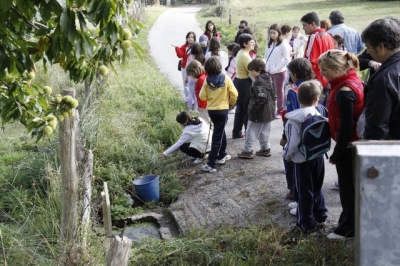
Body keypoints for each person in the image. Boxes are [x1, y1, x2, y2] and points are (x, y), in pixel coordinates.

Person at [318, 49, 364, 240]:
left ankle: (347, 229)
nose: (323, 75)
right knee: (349, 187)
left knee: (348, 189)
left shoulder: (345, 91)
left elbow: (346, 127)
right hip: (352, 144)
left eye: (326, 71)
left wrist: (336, 154)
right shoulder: (351, 81)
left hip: (349, 146)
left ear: (338, 68)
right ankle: (349, 224)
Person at [283, 80, 328, 233]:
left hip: (301, 160)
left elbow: (292, 143)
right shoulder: (320, 111)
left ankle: (305, 224)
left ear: (297, 98)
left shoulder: (294, 119)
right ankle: (321, 214)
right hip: (319, 156)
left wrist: (287, 156)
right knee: (317, 186)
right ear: (317, 99)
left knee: (303, 191)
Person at [280, 58, 316, 201]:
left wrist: (285, 136)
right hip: (312, 131)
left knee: (290, 161)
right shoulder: (315, 86)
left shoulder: (294, 91)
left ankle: (293, 190)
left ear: (294, 73)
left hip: (295, 132)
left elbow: (291, 116)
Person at [361, 17, 400, 140]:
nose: (367, 51)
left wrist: (372, 151)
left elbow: (377, 126)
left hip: (392, 149)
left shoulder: (384, 79)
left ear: (381, 47)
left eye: (368, 47)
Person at [199, 56, 238, 172]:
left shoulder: (207, 80)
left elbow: (202, 96)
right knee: (218, 134)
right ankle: (214, 162)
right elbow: (234, 94)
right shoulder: (226, 78)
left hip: (212, 110)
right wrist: (230, 104)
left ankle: (218, 158)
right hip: (223, 110)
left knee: (218, 133)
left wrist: (210, 97)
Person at [238, 59, 276, 159]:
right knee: (265, 130)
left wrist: (253, 108)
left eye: (252, 71)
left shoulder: (258, 82)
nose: (250, 73)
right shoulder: (269, 78)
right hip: (269, 111)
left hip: (258, 112)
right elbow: (274, 94)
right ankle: (265, 148)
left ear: (258, 70)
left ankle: (248, 150)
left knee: (251, 130)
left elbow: (261, 97)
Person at [300, 12, 335, 90]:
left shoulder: (314, 36)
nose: (303, 28)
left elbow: (308, 60)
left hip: (316, 79)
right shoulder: (328, 36)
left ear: (313, 24)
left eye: (304, 25)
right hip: (328, 77)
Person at [264, 24, 291, 119]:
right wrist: (266, 67)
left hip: (280, 72)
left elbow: (287, 59)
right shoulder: (268, 43)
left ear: (278, 33)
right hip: (269, 71)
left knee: (279, 92)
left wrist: (277, 68)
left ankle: (280, 110)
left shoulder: (283, 43)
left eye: (274, 33)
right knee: (269, 92)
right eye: (270, 33)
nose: (272, 35)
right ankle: (270, 109)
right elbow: (266, 56)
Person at [232, 33, 255, 139]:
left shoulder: (241, 52)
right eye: (251, 42)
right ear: (245, 44)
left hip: (238, 82)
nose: (253, 43)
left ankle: (236, 132)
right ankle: (248, 134)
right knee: (246, 110)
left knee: (240, 109)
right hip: (245, 83)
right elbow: (252, 73)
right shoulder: (246, 56)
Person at [172, 31, 196, 103]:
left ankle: (194, 99)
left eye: (192, 37)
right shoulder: (184, 46)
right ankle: (187, 99)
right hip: (184, 67)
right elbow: (180, 55)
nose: (190, 39)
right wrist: (177, 48)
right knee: (185, 83)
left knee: (193, 83)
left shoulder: (196, 47)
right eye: (188, 37)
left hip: (193, 67)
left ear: (194, 39)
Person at [186, 45, 206, 111]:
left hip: (191, 77)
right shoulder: (203, 57)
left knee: (190, 93)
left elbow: (187, 67)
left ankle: (189, 108)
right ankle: (195, 108)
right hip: (199, 76)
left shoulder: (190, 57)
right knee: (197, 93)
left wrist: (186, 77)